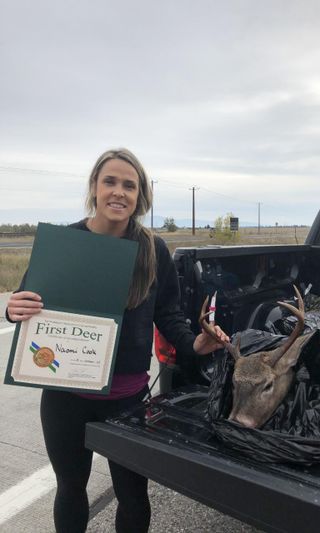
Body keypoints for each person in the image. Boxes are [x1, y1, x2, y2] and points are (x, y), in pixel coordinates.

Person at [6, 148, 229, 533]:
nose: (119, 192)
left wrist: (194, 345)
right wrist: (13, 308)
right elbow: (28, 301)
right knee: (71, 489)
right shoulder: (66, 242)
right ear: (94, 186)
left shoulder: (153, 249)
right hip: (66, 398)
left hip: (127, 400)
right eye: (110, 181)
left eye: (130, 185)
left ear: (140, 195)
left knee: (133, 497)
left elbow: (170, 315)